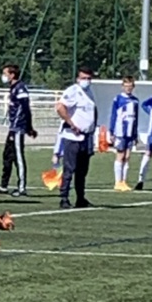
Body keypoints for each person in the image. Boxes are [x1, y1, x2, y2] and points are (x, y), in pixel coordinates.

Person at [55, 66, 98, 210]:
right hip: (73, 137)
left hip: (86, 136)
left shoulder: (89, 92)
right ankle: (64, 198)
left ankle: (81, 198)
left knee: (82, 170)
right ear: (78, 79)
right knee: (69, 168)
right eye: (83, 78)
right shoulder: (73, 91)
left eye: (88, 78)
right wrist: (71, 124)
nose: (86, 81)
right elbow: (60, 107)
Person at [0, 63, 37, 197]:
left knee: (18, 157)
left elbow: (26, 108)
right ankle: (4, 185)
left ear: (12, 75)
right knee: (7, 155)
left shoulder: (20, 88)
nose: (3, 77)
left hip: (18, 128)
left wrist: (29, 127)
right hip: (12, 127)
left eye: (5, 74)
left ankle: (21, 187)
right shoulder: (13, 88)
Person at [108, 76, 139, 191]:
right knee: (120, 155)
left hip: (130, 133)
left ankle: (124, 181)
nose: (128, 88)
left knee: (127, 156)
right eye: (126, 86)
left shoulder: (135, 101)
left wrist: (135, 134)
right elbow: (113, 115)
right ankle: (117, 181)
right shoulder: (118, 99)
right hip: (120, 132)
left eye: (130, 86)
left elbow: (136, 118)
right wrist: (111, 131)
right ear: (122, 87)